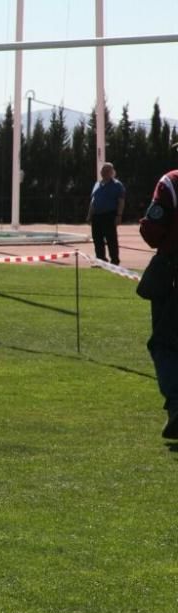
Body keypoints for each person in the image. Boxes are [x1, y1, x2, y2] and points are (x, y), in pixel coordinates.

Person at [137, 144, 178, 439]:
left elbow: (152, 231)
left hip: (173, 273)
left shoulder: (169, 183)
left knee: (163, 343)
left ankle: (176, 405)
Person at [86, 162, 125, 266]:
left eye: (107, 171)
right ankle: (100, 260)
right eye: (103, 171)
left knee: (111, 239)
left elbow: (121, 200)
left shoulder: (117, 185)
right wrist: (89, 215)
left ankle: (115, 261)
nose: (104, 173)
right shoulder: (97, 184)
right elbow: (93, 201)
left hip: (109, 215)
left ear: (112, 172)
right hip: (97, 216)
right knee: (97, 239)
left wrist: (119, 215)